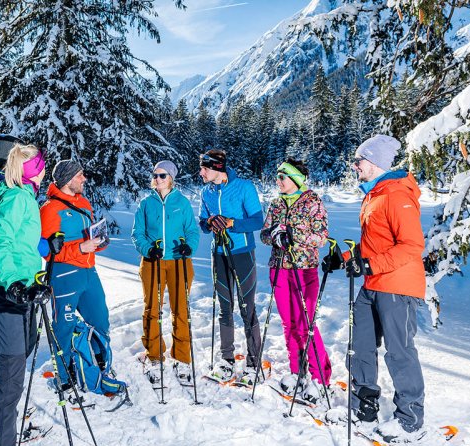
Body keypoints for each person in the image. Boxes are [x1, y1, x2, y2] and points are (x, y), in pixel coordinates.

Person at [343, 134, 426, 443]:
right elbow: (375, 243)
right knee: (361, 344)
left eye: (359, 160)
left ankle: (410, 420)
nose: (355, 166)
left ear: (375, 163)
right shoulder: (374, 194)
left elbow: (412, 246)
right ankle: (364, 405)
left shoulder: (396, 195)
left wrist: (370, 265)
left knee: (399, 351)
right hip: (373, 283)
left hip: (398, 285)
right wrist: (350, 259)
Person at [0, 143, 49, 446]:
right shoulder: (18, 198)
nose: (46, 170)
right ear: (34, 171)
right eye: (43, 165)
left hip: (12, 291)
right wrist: (15, 281)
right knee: (9, 383)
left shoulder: (17, 195)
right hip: (8, 295)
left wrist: (29, 278)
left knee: (2, 376)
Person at [260, 158, 331, 403]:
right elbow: (264, 233)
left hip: (304, 270)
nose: (278, 181)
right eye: (277, 176)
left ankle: (320, 377)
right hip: (279, 268)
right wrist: (275, 236)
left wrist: (293, 235)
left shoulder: (313, 202)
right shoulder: (277, 203)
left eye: (283, 176)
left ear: (296, 179)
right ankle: (296, 370)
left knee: (307, 324)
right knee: (289, 323)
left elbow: (321, 237)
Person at [39, 159, 110, 392]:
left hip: (90, 272)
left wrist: (97, 243)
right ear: (68, 179)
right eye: (80, 175)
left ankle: (100, 367)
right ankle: (64, 376)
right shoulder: (49, 209)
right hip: (65, 275)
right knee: (63, 327)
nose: (84, 179)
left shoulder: (84, 203)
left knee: (100, 320)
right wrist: (80, 248)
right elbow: (48, 252)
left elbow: (86, 237)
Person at [198, 149, 264, 384]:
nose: (201, 172)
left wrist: (231, 222)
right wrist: (209, 222)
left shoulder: (244, 187)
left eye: (204, 168)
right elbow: (202, 223)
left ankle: (254, 363)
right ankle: (226, 360)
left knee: (248, 308)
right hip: (219, 255)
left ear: (216, 168)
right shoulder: (206, 191)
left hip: (242, 253)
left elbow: (258, 220)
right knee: (225, 307)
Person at [131, 160, 200, 384]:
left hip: (179, 262)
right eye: (155, 175)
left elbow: (192, 231)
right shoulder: (146, 203)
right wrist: (148, 249)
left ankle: (181, 357)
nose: (157, 179)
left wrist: (188, 246)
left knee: (181, 309)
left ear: (171, 178)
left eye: (162, 176)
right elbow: (137, 233)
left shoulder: (182, 202)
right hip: (153, 262)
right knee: (152, 309)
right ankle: (154, 356)